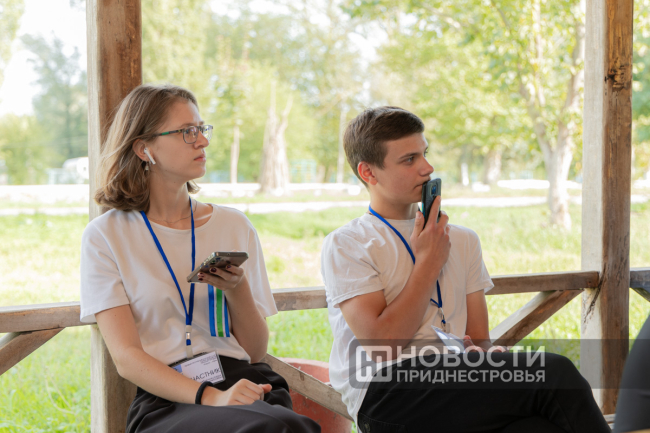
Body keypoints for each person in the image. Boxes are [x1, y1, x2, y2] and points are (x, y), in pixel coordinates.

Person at [321, 106, 610, 433]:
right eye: (409, 159)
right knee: (553, 372)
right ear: (368, 173)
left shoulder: (461, 240)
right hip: (386, 392)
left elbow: (479, 339)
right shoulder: (348, 244)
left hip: (457, 379)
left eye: (425, 154)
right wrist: (428, 264)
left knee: (538, 428)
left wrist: (486, 355)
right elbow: (382, 348)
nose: (427, 168)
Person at [79, 84, 320, 433]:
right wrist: (211, 397)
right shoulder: (106, 236)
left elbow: (255, 351)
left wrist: (237, 289)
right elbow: (126, 358)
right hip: (167, 397)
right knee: (282, 427)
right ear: (144, 148)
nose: (203, 141)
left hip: (242, 379)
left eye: (202, 129)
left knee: (281, 425)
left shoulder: (234, 225)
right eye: (187, 132)